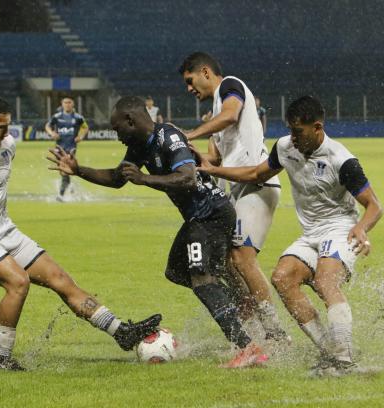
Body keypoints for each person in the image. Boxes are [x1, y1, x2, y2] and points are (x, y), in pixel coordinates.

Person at [48, 96, 268, 368]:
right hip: (197, 218)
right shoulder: (139, 146)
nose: (117, 137)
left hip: (210, 213)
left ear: (131, 121)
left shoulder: (168, 137)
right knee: (176, 271)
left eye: (117, 129)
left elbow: (187, 178)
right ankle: (238, 303)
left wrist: (144, 179)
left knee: (202, 279)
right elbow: (118, 179)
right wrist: (78, 170)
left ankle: (247, 346)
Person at [0, 95, 161, 371]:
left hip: (5, 230)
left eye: (9, 126)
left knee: (60, 279)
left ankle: (122, 332)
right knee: (19, 282)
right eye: (2, 127)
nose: (8, 133)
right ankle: (0, 360)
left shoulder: (8, 145)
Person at [196, 95, 383, 376]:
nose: (293, 137)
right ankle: (330, 352)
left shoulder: (341, 160)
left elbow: (374, 205)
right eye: (291, 130)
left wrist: (361, 228)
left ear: (317, 127)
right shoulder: (284, 147)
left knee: (325, 280)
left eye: (299, 131)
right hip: (311, 234)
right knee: (282, 278)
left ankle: (344, 361)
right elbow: (257, 173)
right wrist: (215, 169)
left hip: (340, 228)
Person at [178, 52, 286, 340]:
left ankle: (275, 333)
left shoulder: (230, 86)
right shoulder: (215, 113)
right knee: (226, 261)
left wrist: (191, 133)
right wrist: (183, 150)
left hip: (257, 184)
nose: (189, 89)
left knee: (241, 259)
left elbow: (231, 114)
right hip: (238, 188)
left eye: (190, 81)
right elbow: (213, 161)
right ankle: (250, 317)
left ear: (204, 72)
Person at [45, 96, 89, 201]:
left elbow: (85, 127)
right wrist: (52, 133)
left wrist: (81, 137)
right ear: (62, 104)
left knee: (64, 171)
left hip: (71, 148)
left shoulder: (78, 117)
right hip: (59, 148)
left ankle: (60, 195)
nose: (67, 104)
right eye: (65, 102)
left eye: (69, 102)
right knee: (63, 172)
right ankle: (72, 187)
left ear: (73, 104)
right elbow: (47, 126)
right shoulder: (57, 116)